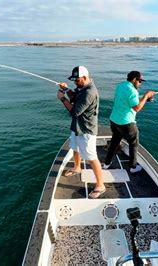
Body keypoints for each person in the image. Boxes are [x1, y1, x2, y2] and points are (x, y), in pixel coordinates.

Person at [57, 66, 105, 199]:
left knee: (91, 158)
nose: (75, 83)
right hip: (77, 126)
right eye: (74, 81)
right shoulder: (82, 88)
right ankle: (77, 167)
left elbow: (74, 111)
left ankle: (100, 185)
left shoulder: (89, 92)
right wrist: (66, 90)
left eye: (77, 80)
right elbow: (75, 97)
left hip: (86, 129)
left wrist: (62, 98)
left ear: (84, 78)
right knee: (75, 148)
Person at [102, 71, 155, 173]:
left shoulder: (120, 86)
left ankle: (106, 164)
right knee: (133, 144)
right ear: (134, 79)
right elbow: (137, 108)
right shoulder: (133, 91)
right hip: (127, 123)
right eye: (139, 81)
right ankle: (133, 167)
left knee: (114, 143)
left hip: (114, 120)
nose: (140, 83)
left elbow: (126, 100)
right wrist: (146, 96)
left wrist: (143, 99)